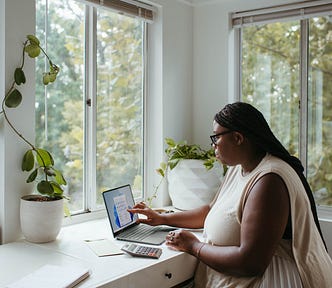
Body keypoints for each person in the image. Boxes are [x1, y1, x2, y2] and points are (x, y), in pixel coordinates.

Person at [128, 102, 332, 288]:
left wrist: (194, 246)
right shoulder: (241, 167)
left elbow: (250, 263)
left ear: (238, 138)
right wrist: (162, 218)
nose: (213, 145)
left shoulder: (269, 181)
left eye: (216, 137)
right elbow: (211, 210)